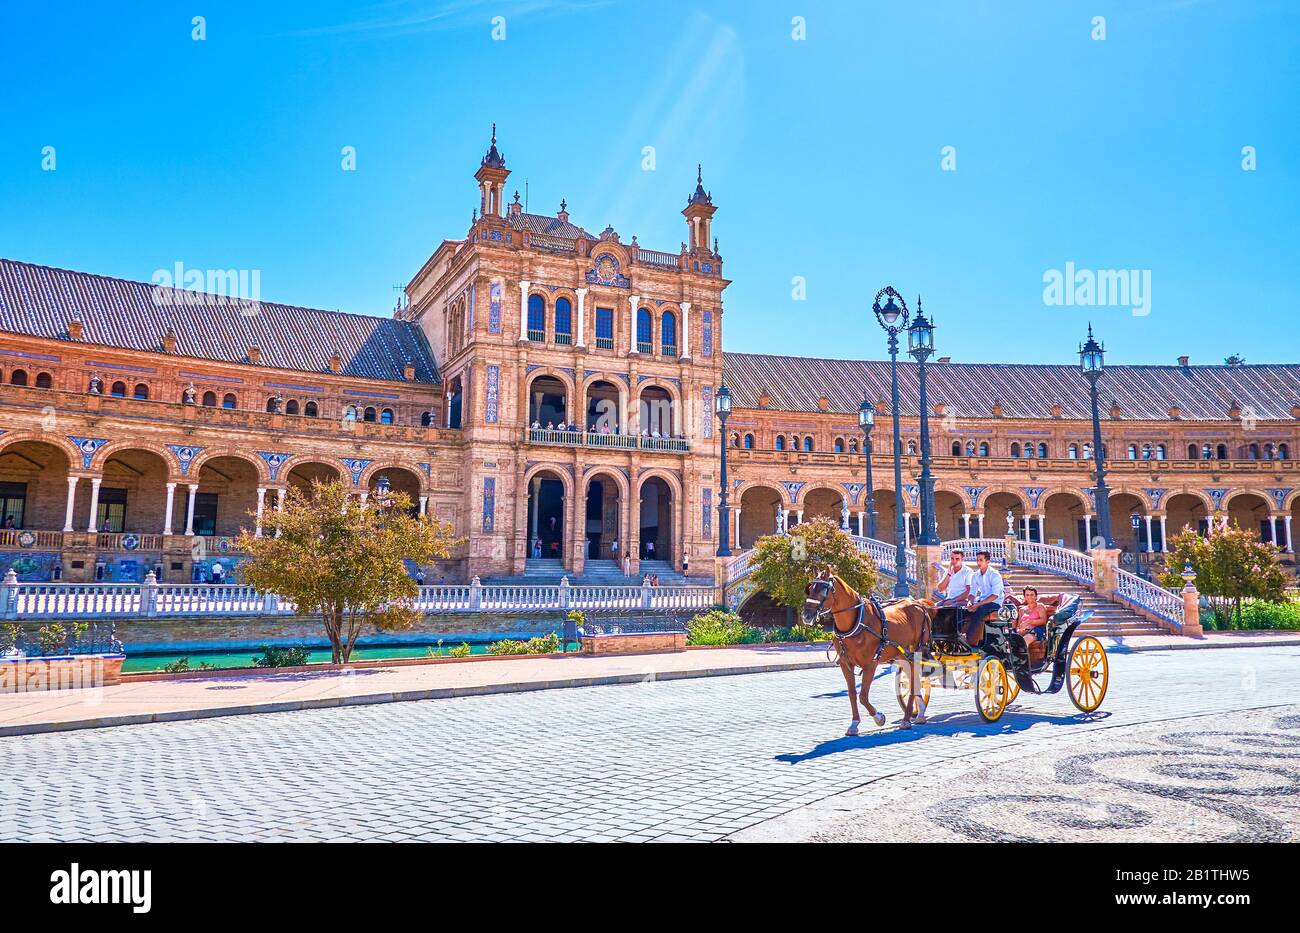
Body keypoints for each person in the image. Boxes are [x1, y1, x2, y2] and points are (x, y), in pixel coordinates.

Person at [962, 551, 1004, 646]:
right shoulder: (975, 575)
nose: (978, 562)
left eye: (981, 560)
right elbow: (972, 593)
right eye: (977, 560)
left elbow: (995, 595)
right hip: (982, 601)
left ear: (988, 561)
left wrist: (977, 605)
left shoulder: (995, 574)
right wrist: (970, 603)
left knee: (980, 609)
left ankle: (969, 637)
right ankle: (958, 634)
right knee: (962, 610)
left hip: (995, 603)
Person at [1014, 586, 1048, 653]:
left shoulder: (1040, 606)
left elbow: (1043, 621)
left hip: (1036, 632)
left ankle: (1022, 661)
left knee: (1024, 640)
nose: (1030, 597)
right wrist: (1019, 630)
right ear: (1025, 597)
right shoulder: (1021, 610)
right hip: (1023, 632)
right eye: (1027, 595)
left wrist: (1030, 622)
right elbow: (1018, 626)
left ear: (1036, 596)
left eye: (1032, 595)